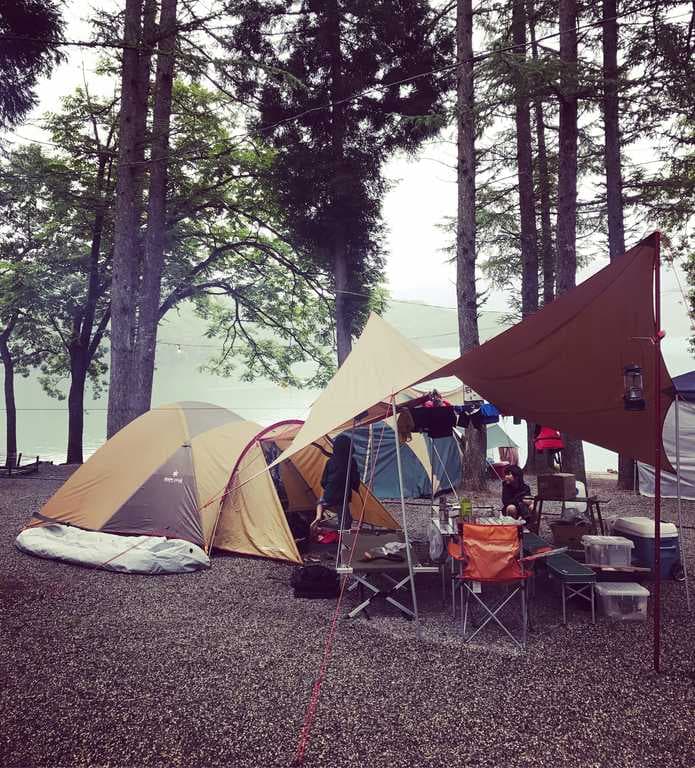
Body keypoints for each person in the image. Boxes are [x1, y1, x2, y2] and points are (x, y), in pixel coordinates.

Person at [312, 433, 360, 533]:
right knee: (345, 520)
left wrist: (329, 489)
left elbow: (323, 481)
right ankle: (342, 536)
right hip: (342, 496)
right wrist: (355, 487)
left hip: (329, 494)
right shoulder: (351, 461)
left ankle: (318, 515)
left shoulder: (330, 461)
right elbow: (355, 479)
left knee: (321, 501)